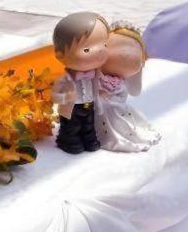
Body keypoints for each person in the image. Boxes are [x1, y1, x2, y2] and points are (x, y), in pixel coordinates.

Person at [95, 22, 161, 152]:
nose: (125, 53)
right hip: (97, 107)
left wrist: (110, 97)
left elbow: (125, 95)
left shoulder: (121, 85)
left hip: (116, 109)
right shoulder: (97, 76)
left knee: (117, 119)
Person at [51, 12, 110, 154]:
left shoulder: (95, 74)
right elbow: (56, 95)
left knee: (89, 125)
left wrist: (102, 92)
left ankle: (89, 140)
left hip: (89, 105)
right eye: (87, 49)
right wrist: (63, 98)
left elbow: (98, 86)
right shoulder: (64, 79)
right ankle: (69, 141)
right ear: (60, 55)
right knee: (71, 127)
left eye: (104, 44)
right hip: (72, 108)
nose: (100, 51)